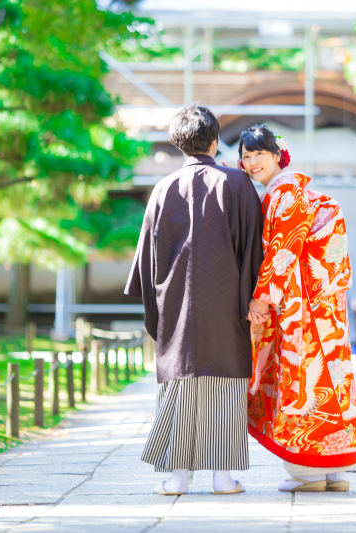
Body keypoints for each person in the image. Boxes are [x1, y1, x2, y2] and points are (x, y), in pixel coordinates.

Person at [125, 104, 264, 496]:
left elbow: (148, 263)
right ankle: (223, 477)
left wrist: (158, 310)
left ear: (177, 144)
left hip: (177, 306)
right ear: (216, 141)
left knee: (180, 385)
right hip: (227, 304)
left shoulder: (163, 189)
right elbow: (254, 249)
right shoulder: (237, 184)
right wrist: (250, 300)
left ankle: (177, 477)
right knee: (225, 386)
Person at [241, 124, 356, 492]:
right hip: (320, 307)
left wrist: (261, 298)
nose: (251, 163)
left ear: (277, 156)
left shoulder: (285, 194)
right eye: (246, 156)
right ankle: (334, 471)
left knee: (301, 382)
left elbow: (282, 250)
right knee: (330, 382)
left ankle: (308, 472)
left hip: (299, 309)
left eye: (258, 154)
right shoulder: (299, 194)